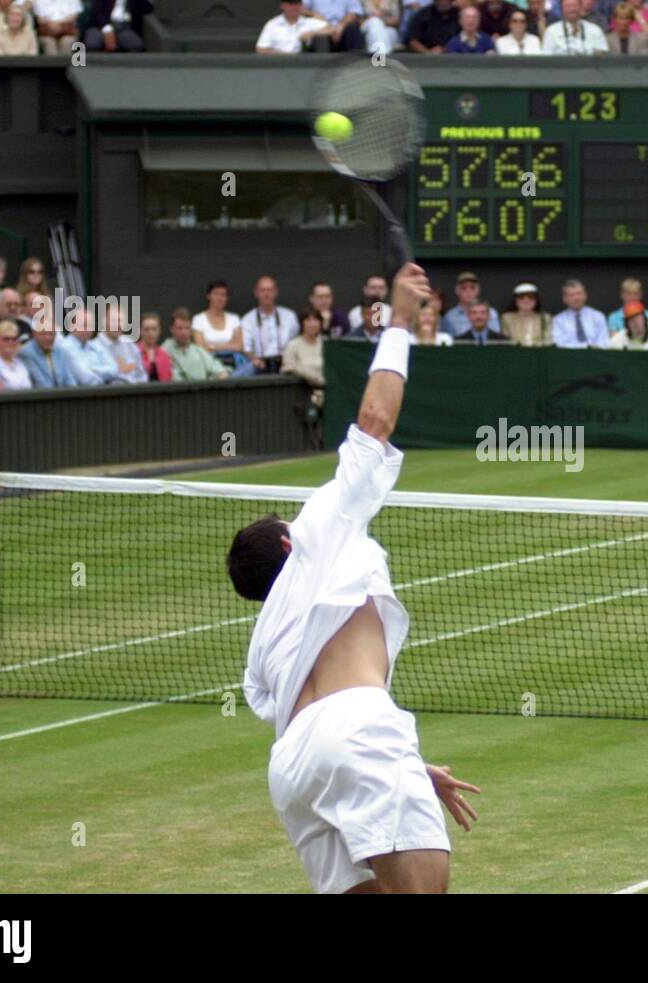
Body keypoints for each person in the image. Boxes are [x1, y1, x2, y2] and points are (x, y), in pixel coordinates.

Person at [229, 262, 479, 895]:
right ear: (289, 539)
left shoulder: (263, 646)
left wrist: (409, 769)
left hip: (293, 771)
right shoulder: (320, 526)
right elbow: (374, 422)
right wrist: (398, 320)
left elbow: (318, 725)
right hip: (359, 734)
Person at [193, 280, 254, 376]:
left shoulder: (234, 318)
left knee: (253, 366)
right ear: (208, 296)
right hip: (209, 364)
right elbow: (200, 348)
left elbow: (239, 346)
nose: (220, 298)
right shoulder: (198, 319)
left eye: (223, 295)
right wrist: (229, 345)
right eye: (216, 294)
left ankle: (228, 379)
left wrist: (213, 346)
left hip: (233, 363)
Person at [242, 274, 300, 374]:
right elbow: (246, 348)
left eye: (270, 290)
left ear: (276, 292)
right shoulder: (247, 320)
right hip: (260, 365)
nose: (266, 294)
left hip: (286, 363)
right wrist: (254, 359)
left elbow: (296, 342)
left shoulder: (289, 316)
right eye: (263, 290)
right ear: (256, 293)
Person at [18, 307, 79, 388]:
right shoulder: (27, 352)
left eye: (51, 333)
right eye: (43, 334)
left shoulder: (61, 351)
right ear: (34, 334)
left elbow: (69, 380)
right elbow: (41, 383)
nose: (48, 338)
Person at [166, 308, 231, 381]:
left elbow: (220, 370)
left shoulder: (197, 349)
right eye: (180, 328)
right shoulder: (164, 351)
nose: (184, 332)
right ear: (171, 329)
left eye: (187, 328)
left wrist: (222, 374)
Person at [282, 306, 327, 401]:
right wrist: (316, 379)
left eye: (316, 320)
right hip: (302, 396)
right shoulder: (293, 345)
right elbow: (288, 368)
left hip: (328, 394)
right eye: (308, 320)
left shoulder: (326, 343)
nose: (312, 324)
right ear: (302, 323)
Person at [551, 279, 609, 348]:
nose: (576, 298)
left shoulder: (598, 316)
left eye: (579, 294)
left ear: (585, 295)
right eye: (571, 295)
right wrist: (583, 347)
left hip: (595, 355)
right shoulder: (557, 320)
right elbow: (558, 343)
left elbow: (604, 341)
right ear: (564, 299)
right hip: (568, 356)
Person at [441, 271, 502, 337]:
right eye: (464, 288)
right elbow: (448, 343)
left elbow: (496, 339)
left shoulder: (492, 313)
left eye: (472, 287)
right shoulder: (450, 317)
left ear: (478, 290)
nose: (468, 292)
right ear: (457, 291)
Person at [257, 0, 332, 52]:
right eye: (290, 3)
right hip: (277, 64)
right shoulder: (272, 24)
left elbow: (332, 29)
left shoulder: (309, 22)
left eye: (296, 3)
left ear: (301, 5)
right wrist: (288, 56)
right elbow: (261, 49)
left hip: (304, 66)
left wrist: (313, 33)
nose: (293, 7)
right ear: (282, 5)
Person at [83, 0, 153, 52]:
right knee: (92, 43)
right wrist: (108, 30)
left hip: (124, 28)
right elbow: (97, 13)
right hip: (101, 25)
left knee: (136, 45)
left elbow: (148, 8)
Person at [543, 0, 609, 50]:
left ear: (581, 8)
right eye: (568, 6)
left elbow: (602, 56)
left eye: (574, 5)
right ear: (562, 9)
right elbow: (546, 60)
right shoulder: (551, 31)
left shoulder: (595, 30)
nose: (572, 9)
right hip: (560, 67)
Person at [137, 313, 175, 382]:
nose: (150, 333)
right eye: (146, 329)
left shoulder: (165, 355)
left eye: (154, 329)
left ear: (159, 330)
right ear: (140, 330)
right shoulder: (133, 353)